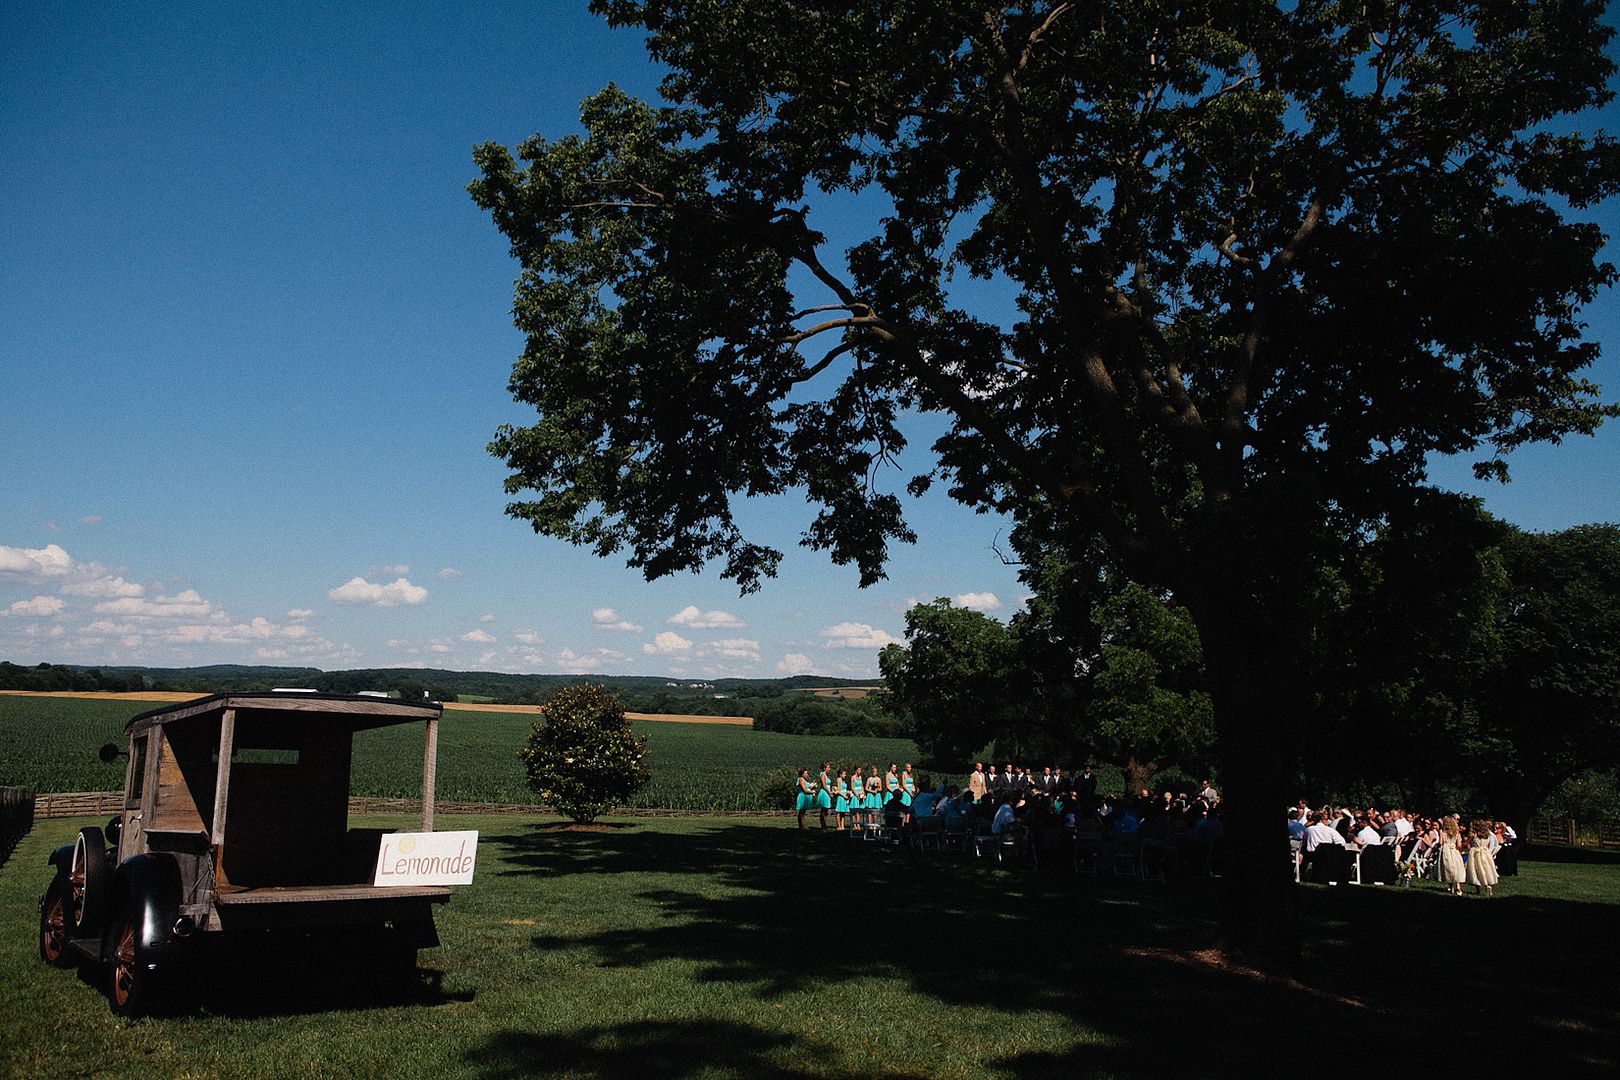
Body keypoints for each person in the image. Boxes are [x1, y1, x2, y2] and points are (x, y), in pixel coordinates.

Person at [1466, 819, 1499, 896]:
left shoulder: (1473, 835)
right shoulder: (1487, 835)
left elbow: (1466, 843)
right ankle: (1488, 885)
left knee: (1476, 870)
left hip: (1475, 853)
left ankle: (1478, 889)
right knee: (1486, 869)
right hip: (1485, 853)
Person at [1436, 814, 1466, 895]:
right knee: (1456, 867)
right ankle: (1458, 886)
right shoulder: (1456, 833)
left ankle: (1451, 887)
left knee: (1448, 868)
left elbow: (1440, 842)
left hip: (1446, 850)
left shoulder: (1443, 832)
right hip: (1454, 851)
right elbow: (1459, 845)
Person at [816, 762, 833, 830]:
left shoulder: (826, 775)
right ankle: (823, 826)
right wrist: (829, 793)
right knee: (823, 810)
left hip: (827, 792)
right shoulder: (822, 775)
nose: (829, 769)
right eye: (828, 767)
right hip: (824, 793)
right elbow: (824, 785)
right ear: (824, 768)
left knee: (826, 810)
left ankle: (825, 825)